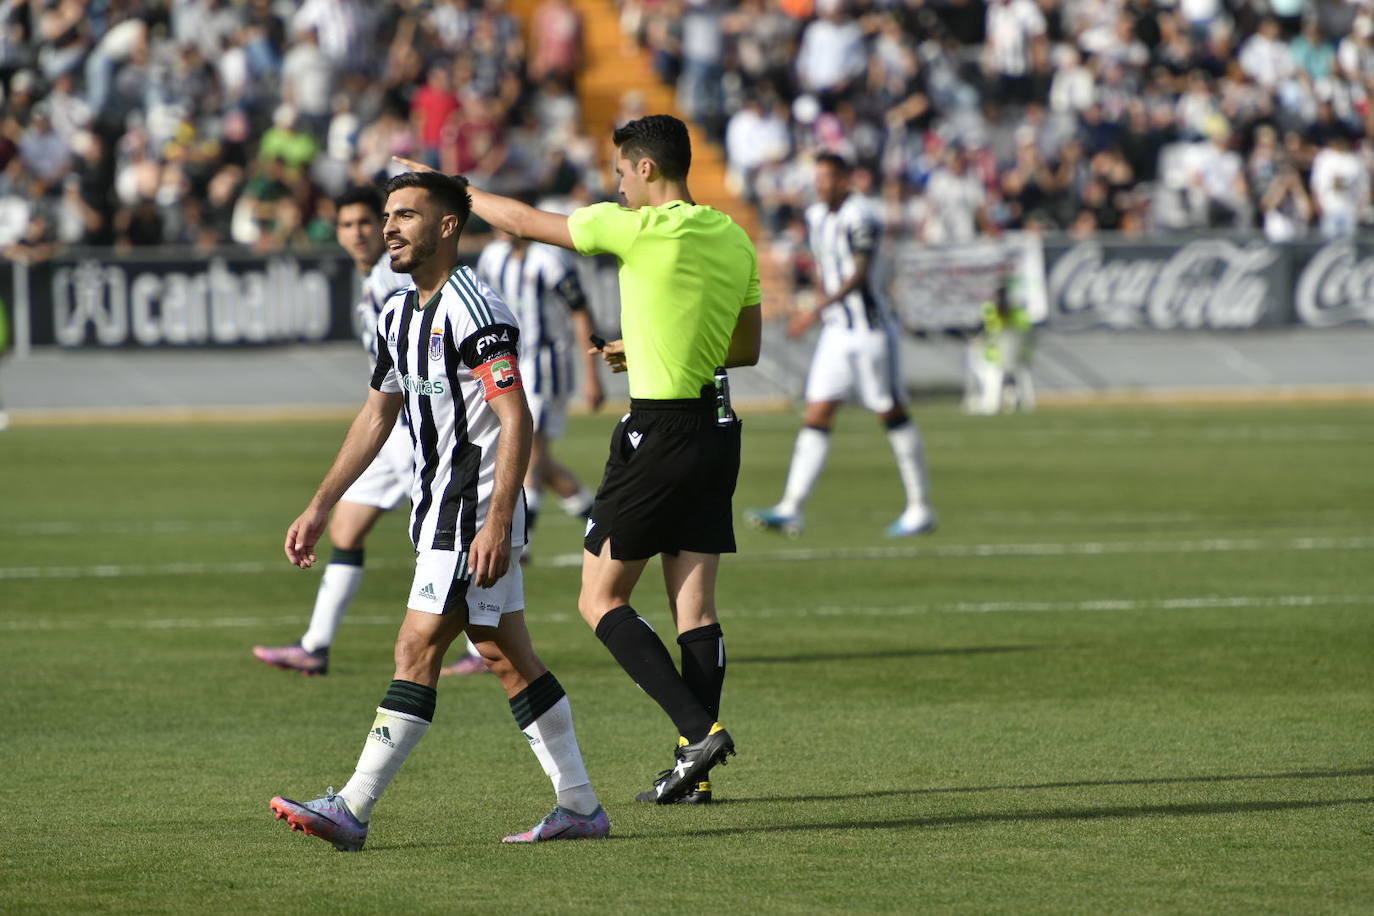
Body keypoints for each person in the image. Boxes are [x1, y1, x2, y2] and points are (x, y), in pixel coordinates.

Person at [398, 113, 763, 805]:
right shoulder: (732, 235)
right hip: (717, 428)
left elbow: (526, 221)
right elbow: (743, 349)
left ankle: (700, 730)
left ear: (647, 169)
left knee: (600, 599)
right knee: (696, 609)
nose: (617, 186)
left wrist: (449, 189)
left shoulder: (638, 227)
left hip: (657, 432)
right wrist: (647, 350)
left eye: (622, 172)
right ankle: (695, 768)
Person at [269, 171, 609, 849]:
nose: (390, 227)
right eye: (387, 215)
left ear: (448, 225)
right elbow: (375, 416)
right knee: (506, 654)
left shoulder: (476, 309)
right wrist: (319, 504)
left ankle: (352, 807)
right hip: (436, 514)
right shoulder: (397, 311)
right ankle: (579, 806)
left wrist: (499, 521)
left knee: (415, 646)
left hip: (469, 516)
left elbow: (517, 418)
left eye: (406, 216)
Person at [252, 185, 487, 677]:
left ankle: (478, 640)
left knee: (444, 536)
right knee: (347, 528)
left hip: (420, 430)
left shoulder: (394, 278)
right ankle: (316, 645)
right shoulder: (373, 280)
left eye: (367, 222)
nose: (362, 233)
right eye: (350, 224)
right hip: (395, 425)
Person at [746, 153, 935, 538]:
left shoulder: (861, 215)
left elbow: (859, 275)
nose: (822, 184)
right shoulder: (816, 216)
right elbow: (823, 270)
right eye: (818, 177)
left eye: (829, 177)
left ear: (847, 180)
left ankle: (920, 507)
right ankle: (792, 507)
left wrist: (814, 310)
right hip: (836, 332)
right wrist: (819, 306)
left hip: (870, 331)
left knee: (890, 411)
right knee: (817, 412)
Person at [475, 226, 603, 558]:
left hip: (546, 367)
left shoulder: (551, 260)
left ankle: (522, 541)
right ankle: (600, 522)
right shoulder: (493, 257)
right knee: (537, 459)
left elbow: (580, 311)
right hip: (507, 363)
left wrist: (592, 376)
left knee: (529, 452)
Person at [966, 276, 1035, 416]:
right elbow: (1027, 332)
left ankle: (991, 403)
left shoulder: (991, 310)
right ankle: (1017, 398)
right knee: (1018, 374)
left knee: (989, 373)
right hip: (1018, 355)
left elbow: (986, 332)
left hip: (995, 355)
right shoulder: (1019, 311)